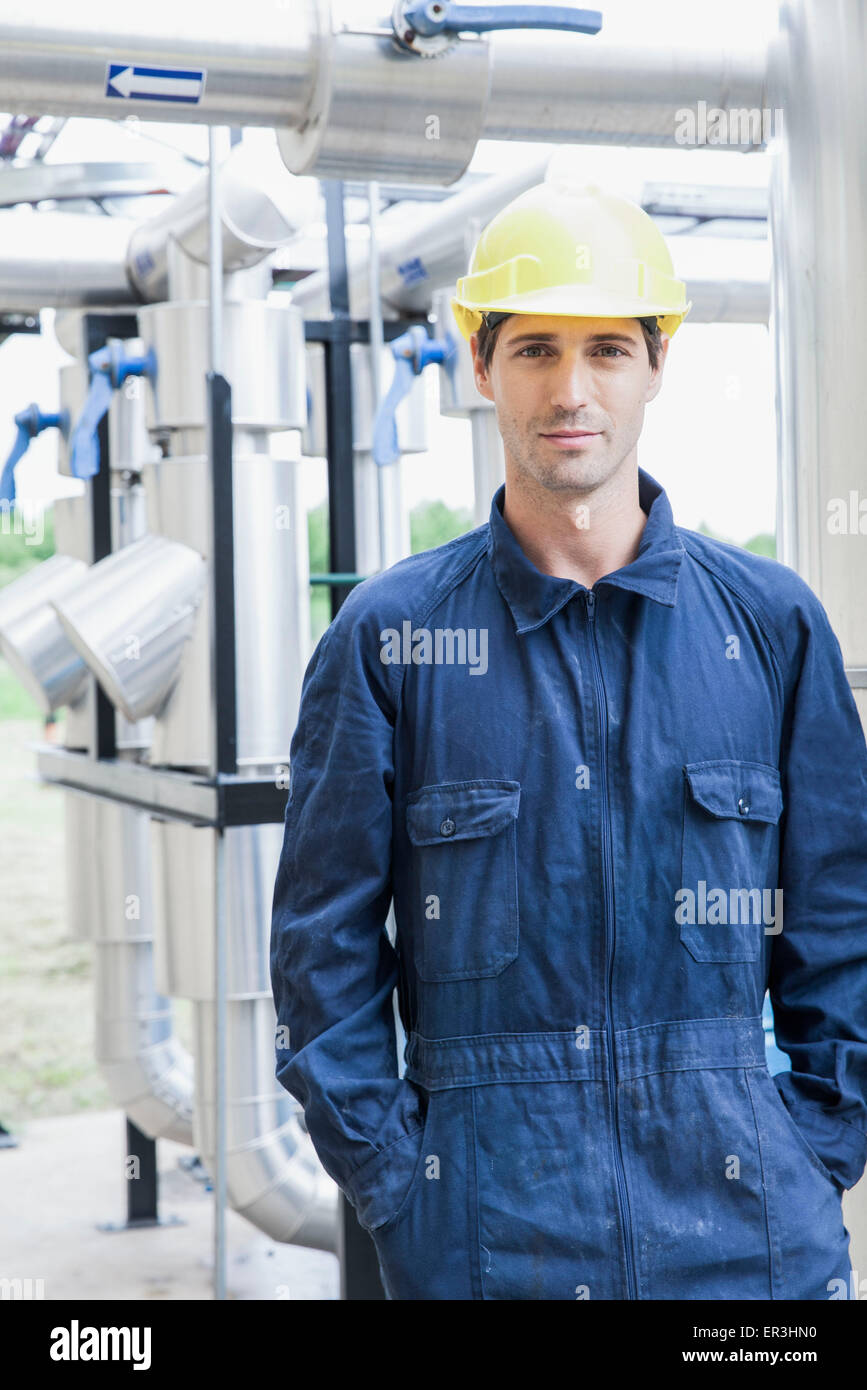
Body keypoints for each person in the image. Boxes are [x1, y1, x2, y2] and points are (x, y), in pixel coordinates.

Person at [270, 176, 867, 1300]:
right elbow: (322, 952)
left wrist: (817, 1147)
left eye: (606, 349)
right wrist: (404, 1185)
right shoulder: (390, 637)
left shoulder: (773, 628)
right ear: (482, 367)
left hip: (753, 1252)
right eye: (536, 348)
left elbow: (844, 921)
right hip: (492, 1244)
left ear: (656, 367)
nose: (570, 388)